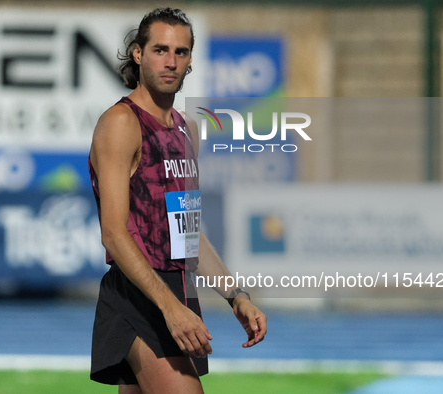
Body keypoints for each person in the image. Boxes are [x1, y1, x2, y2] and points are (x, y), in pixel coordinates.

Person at [88, 7, 267, 394]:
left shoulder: (187, 130)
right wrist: (170, 308)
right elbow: (114, 235)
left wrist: (236, 297)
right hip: (138, 296)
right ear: (137, 53)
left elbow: (189, 234)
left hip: (176, 289)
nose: (171, 62)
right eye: (160, 50)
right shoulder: (121, 123)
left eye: (181, 52)